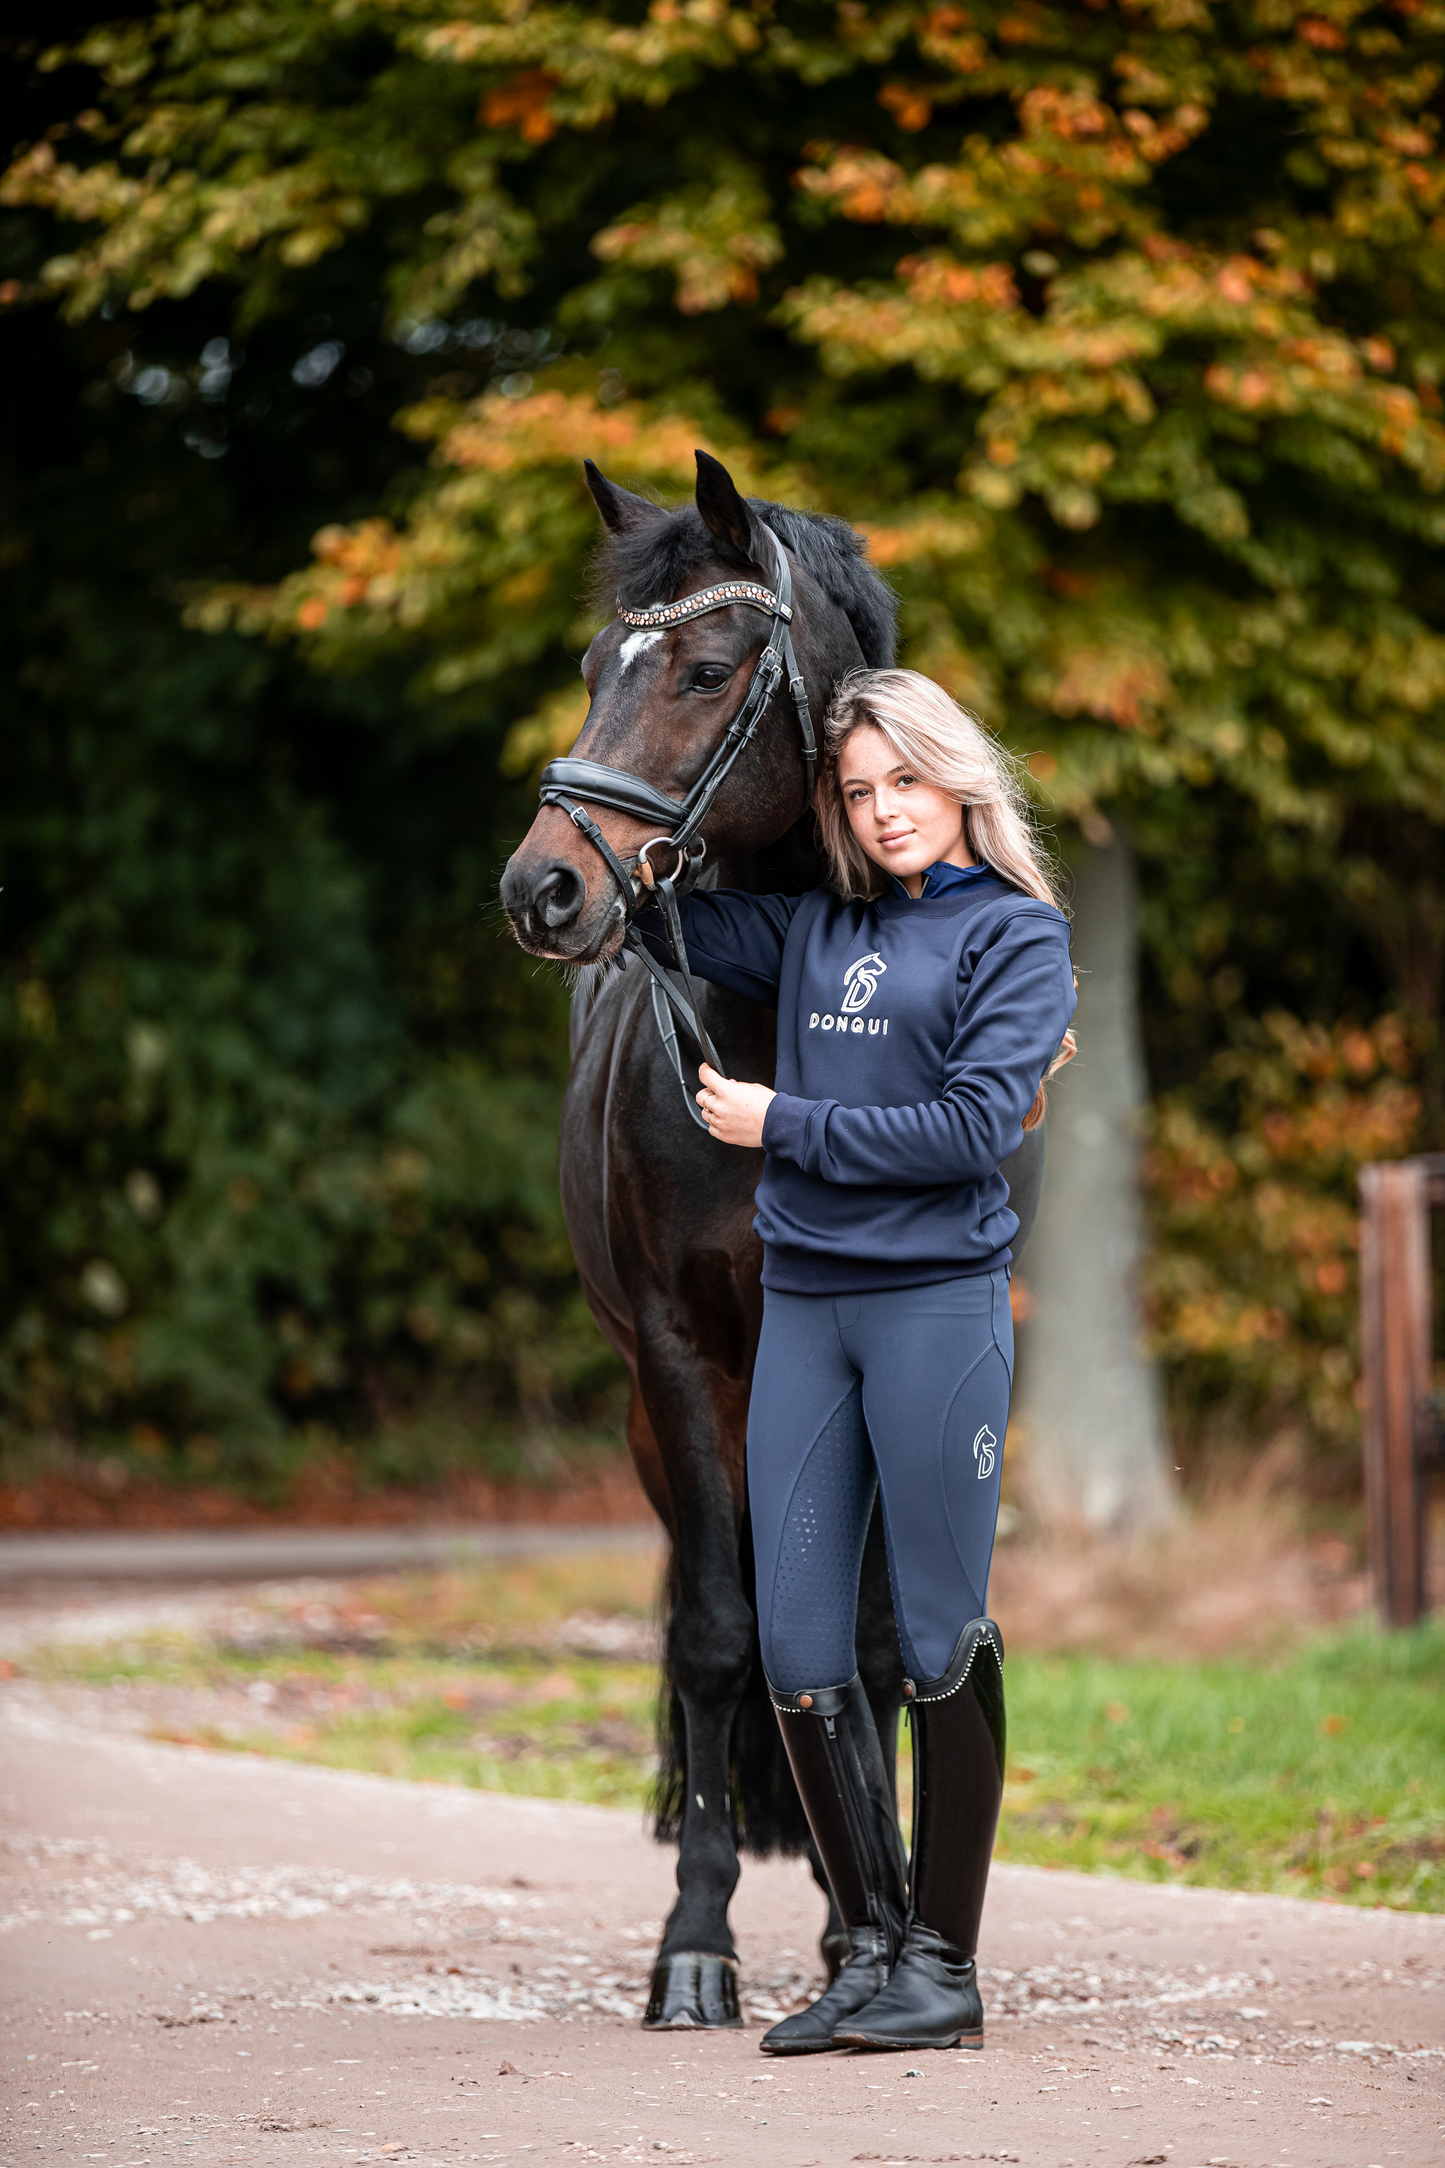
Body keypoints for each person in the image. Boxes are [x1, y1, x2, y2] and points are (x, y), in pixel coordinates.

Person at [637, 667, 1077, 2054]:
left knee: (937, 1632)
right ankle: (872, 1948)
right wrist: (610, 808)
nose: (886, 813)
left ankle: (944, 1967)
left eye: (907, 782)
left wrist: (784, 1121)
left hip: (933, 1310)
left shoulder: (1018, 943)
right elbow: (657, 913)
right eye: (859, 790)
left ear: (960, 783)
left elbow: (966, 1133)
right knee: (798, 1638)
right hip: (811, 1320)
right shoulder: (816, 926)